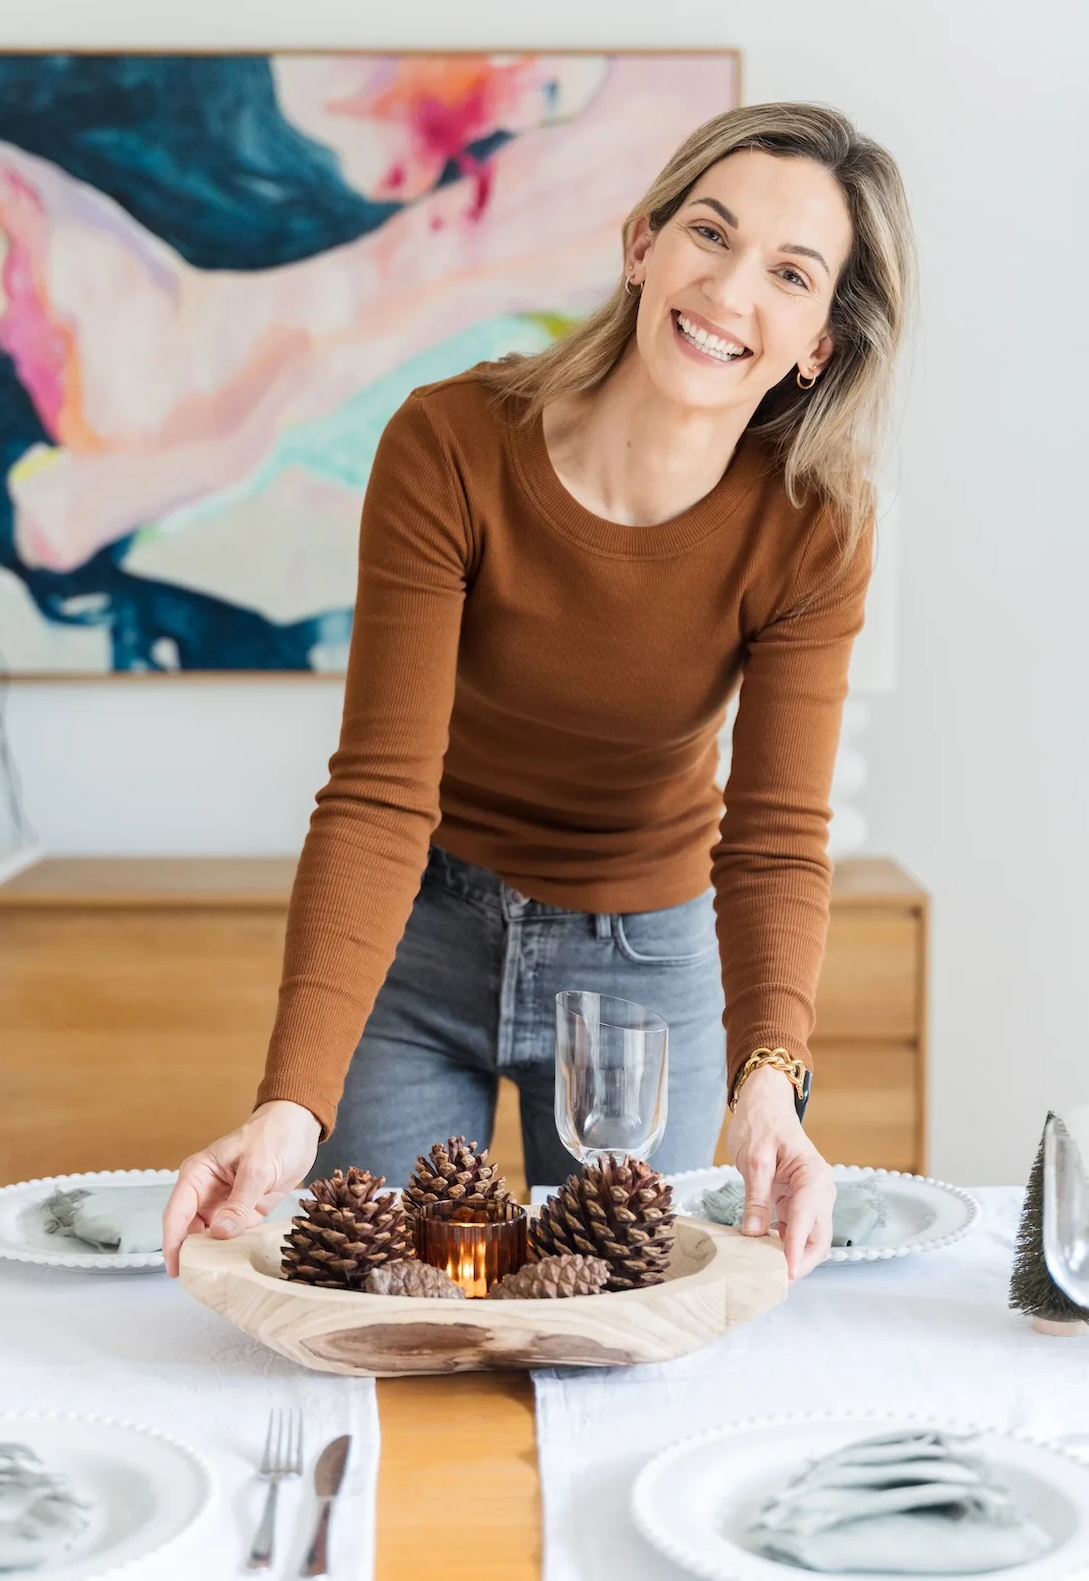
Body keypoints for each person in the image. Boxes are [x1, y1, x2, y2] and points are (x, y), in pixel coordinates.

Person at [163, 101, 915, 1283]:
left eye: (787, 272)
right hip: (421, 945)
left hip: (643, 965)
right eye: (707, 235)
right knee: (401, 1309)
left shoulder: (814, 526)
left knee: (611, 1328)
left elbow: (771, 835)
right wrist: (291, 1104)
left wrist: (769, 1082)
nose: (728, 291)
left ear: (818, 339)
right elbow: (377, 793)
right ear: (640, 245)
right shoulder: (451, 446)